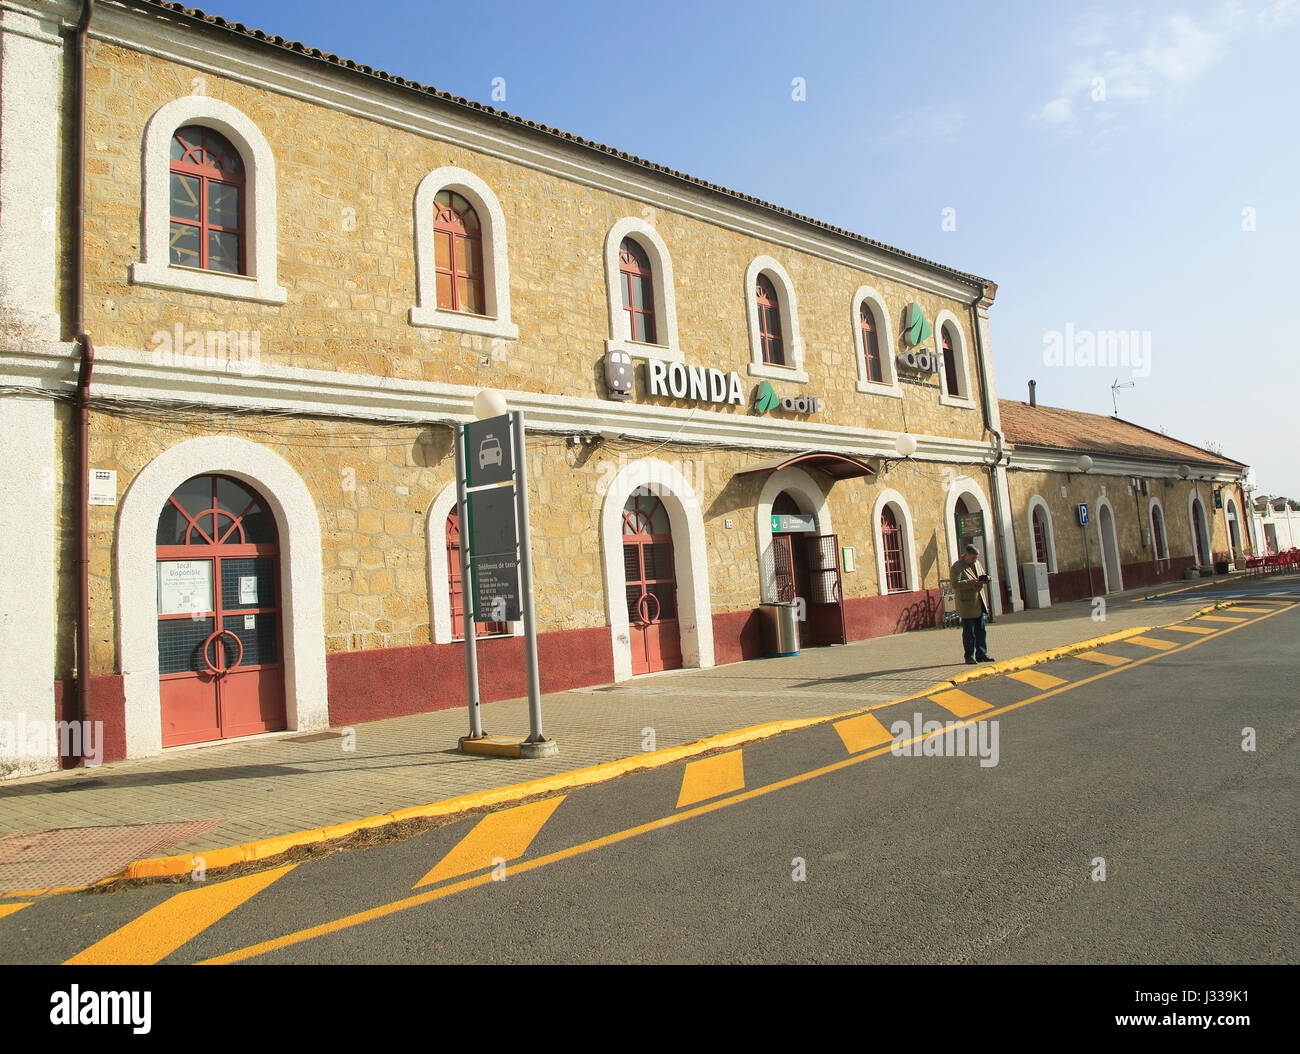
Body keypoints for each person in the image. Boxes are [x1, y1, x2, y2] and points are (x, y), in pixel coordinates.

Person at [949, 543, 993, 664]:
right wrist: (972, 582)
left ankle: (982, 654)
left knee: (981, 630)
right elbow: (955, 584)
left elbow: (980, 575)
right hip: (967, 605)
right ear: (966, 555)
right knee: (969, 633)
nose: (975, 560)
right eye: (973, 557)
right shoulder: (957, 567)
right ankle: (969, 656)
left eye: (976, 558)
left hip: (979, 602)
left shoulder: (977, 564)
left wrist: (986, 579)